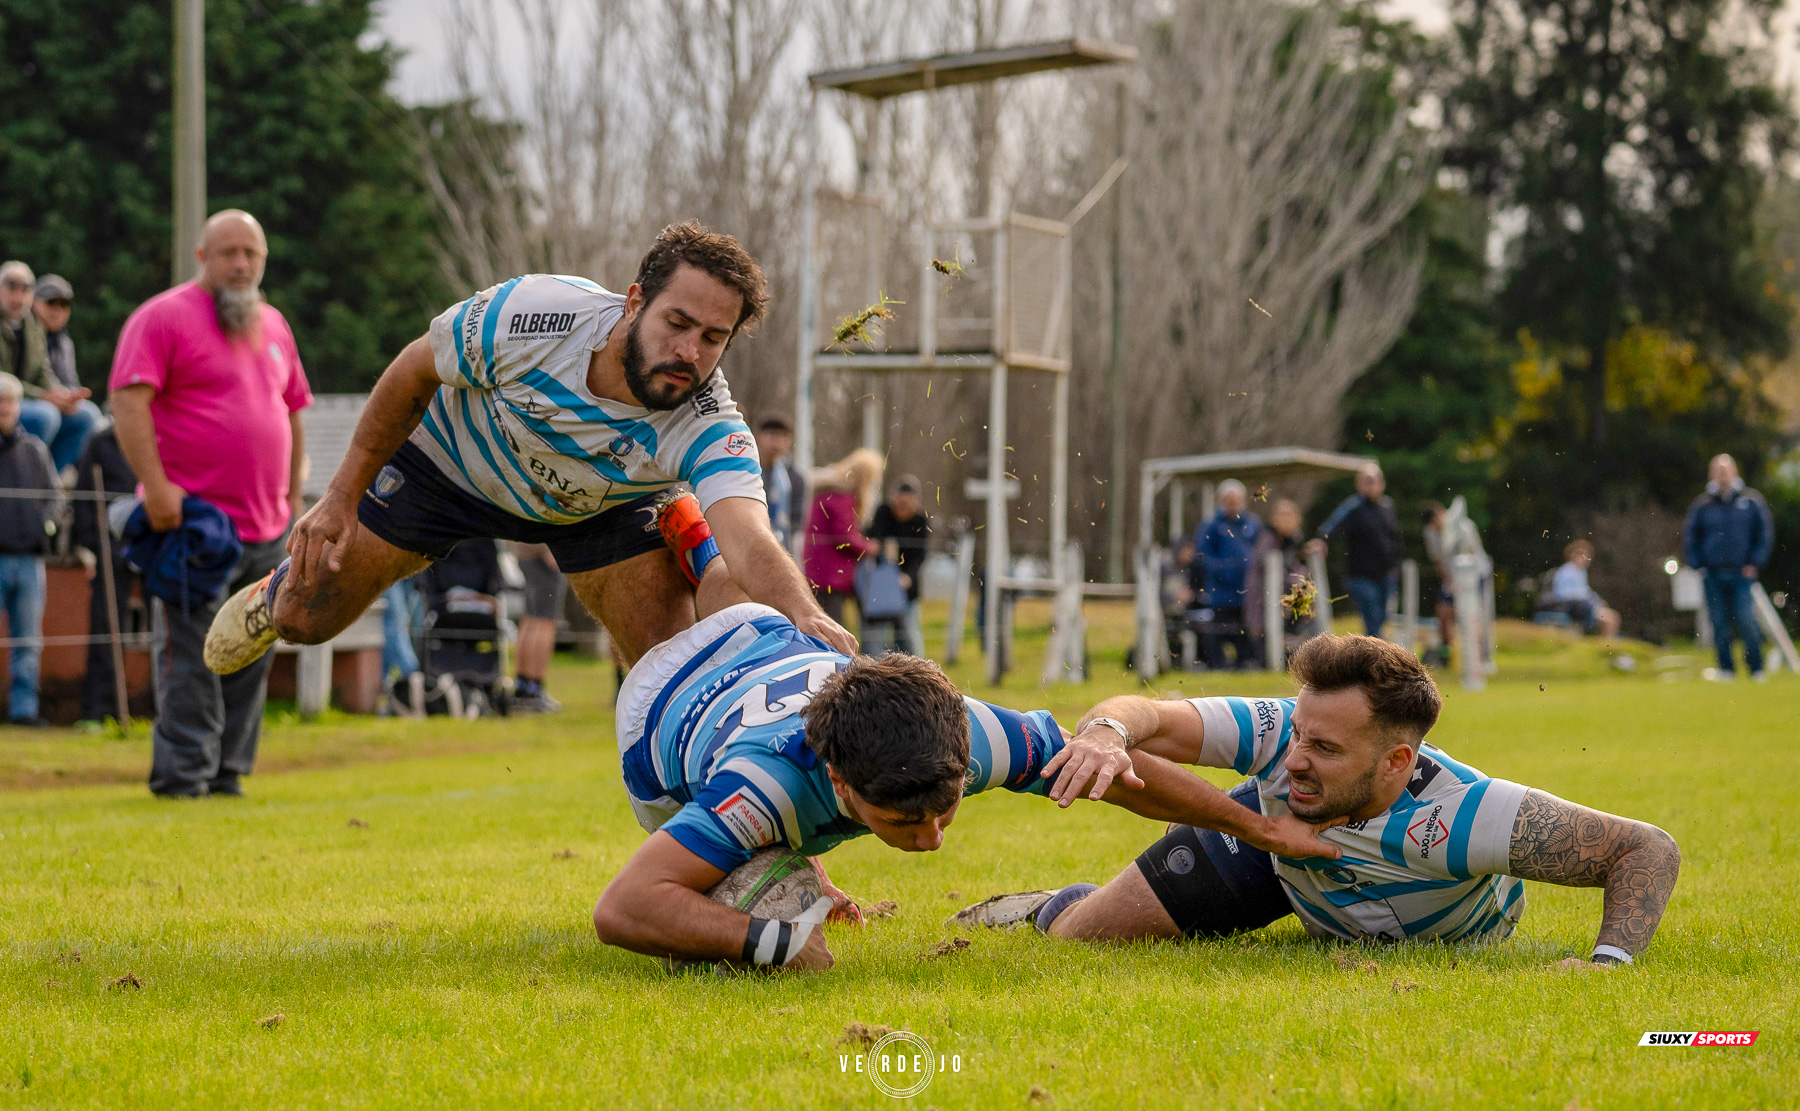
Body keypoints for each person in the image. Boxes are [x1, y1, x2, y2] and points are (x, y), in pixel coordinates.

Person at [589, 545, 1341, 971]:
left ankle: (700, 538)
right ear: (842, 784)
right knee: (724, 899)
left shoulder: (974, 733)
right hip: (662, 713)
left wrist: (1261, 828)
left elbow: (1122, 778)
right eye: (904, 823)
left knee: (738, 590)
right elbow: (623, 906)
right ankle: (676, 529)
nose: (934, 838)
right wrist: (771, 939)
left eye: (943, 809)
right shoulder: (761, 785)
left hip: (767, 641)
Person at [202, 221, 856, 688]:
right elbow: (411, 372)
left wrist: (805, 613)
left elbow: (750, 540)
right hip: (453, 465)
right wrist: (339, 498)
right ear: (634, 303)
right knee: (304, 622)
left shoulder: (709, 417)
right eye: (677, 323)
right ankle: (274, 594)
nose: (690, 351)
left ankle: (721, 855)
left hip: (594, 513)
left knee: (676, 675)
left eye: (713, 337)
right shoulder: (533, 314)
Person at [956, 635, 1683, 971]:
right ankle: (1052, 901)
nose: (1296, 757)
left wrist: (1609, 965)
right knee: (1080, 936)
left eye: (1327, 748)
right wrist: (1110, 732)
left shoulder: (1468, 816)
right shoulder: (1280, 735)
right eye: (1299, 733)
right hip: (1272, 853)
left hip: (1400, 918)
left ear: (1398, 760)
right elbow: (1147, 713)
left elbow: (1646, 846)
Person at [109, 210, 312, 798]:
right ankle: (183, 777)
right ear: (202, 257)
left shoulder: (273, 325)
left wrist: (294, 492)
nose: (241, 263)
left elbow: (293, 409)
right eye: (228, 252)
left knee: (252, 652)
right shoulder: (162, 317)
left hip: (267, 526)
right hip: (193, 524)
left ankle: (228, 775)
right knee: (192, 657)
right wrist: (158, 487)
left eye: (251, 252)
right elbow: (127, 400)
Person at [0, 372, 59, 727]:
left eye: (9, 401)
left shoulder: (35, 450)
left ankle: (24, 712)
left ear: (19, 406)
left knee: (28, 642)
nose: (3, 408)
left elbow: (54, 498)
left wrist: (46, 527)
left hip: (29, 561)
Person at [72, 421, 141, 726]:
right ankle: (98, 710)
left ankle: (162, 708)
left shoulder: (164, 432)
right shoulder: (101, 443)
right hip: (110, 546)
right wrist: (97, 545)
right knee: (105, 626)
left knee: (167, 626)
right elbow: (83, 497)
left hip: (157, 540)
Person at [1682, 454, 1774, 682]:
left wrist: (1754, 562)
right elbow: (1690, 537)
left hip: (1742, 573)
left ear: (1734, 471)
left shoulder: (1751, 501)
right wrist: (1698, 565)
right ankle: (1727, 669)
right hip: (1712, 574)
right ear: (1711, 474)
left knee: (1746, 620)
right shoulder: (1702, 505)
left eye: (1726, 470)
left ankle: (1756, 668)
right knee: (1719, 624)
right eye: (1717, 470)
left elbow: (1763, 534)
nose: (1722, 475)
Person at [1, 263, 100, 474]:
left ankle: (46, 484)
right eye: (11, 287)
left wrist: (63, 395)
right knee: (45, 416)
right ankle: (24, 480)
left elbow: (42, 370)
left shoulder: (33, 325)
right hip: (7, 400)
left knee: (87, 416)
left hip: (30, 399)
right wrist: (45, 396)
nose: (18, 296)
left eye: (25, 288)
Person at [1308, 463, 1403, 638]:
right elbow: (1332, 526)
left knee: (1382, 618)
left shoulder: (1388, 507)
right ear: (1359, 484)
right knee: (1372, 617)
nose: (1372, 485)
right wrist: (1321, 540)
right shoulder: (1353, 507)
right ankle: (1374, 658)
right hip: (1360, 576)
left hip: (1386, 575)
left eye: (1375, 480)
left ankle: (1372, 653)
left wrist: (1396, 567)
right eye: (1368, 481)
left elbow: (1395, 539)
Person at [802, 448, 882, 627]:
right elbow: (844, 537)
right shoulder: (840, 498)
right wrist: (870, 548)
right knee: (833, 625)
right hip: (831, 575)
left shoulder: (827, 493)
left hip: (818, 570)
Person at [1194, 479, 1260, 669]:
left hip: (1248, 592)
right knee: (1219, 631)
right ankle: (1217, 665)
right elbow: (1202, 556)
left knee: (1244, 632)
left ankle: (1246, 664)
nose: (1233, 504)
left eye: (1236, 500)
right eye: (1228, 500)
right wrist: (1224, 571)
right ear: (1220, 501)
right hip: (1220, 592)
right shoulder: (1211, 526)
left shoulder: (1253, 524)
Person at [863, 474, 931, 656]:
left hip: (906, 588)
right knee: (876, 639)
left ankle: (916, 674)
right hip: (881, 587)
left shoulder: (920, 521)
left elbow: (920, 555)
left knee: (909, 635)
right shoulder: (883, 513)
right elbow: (873, 539)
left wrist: (908, 576)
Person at [1244, 497, 1305, 663]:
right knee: (1265, 644)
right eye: (1282, 515)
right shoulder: (1268, 539)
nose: (1285, 519)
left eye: (1289, 515)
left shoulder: (1294, 540)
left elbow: (1294, 566)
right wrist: (1296, 581)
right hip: (1264, 599)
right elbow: (1270, 567)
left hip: (1285, 600)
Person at [510, 541, 566, 713]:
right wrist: (550, 549)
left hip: (524, 551)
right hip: (543, 553)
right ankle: (535, 690)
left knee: (530, 619)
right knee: (545, 622)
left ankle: (523, 688)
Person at [1544, 540, 1621, 637]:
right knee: (1609, 620)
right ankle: (1604, 645)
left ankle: (1606, 645)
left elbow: (1586, 591)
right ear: (1573, 555)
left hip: (1583, 608)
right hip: (1572, 609)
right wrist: (1587, 599)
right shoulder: (1566, 571)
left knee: (1613, 617)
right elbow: (1562, 594)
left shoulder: (1581, 572)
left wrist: (1598, 601)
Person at [756, 414, 803, 549]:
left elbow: (796, 521)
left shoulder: (796, 478)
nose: (776, 442)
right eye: (772, 435)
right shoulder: (749, 471)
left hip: (783, 545)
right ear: (759, 436)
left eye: (782, 436)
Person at [1420, 502, 1457, 667]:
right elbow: (1437, 561)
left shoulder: (1460, 526)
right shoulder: (1430, 533)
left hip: (1471, 578)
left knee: (1471, 616)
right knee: (1442, 613)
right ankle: (1445, 653)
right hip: (1450, 580)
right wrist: (1448, 581)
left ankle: (1475, 656)